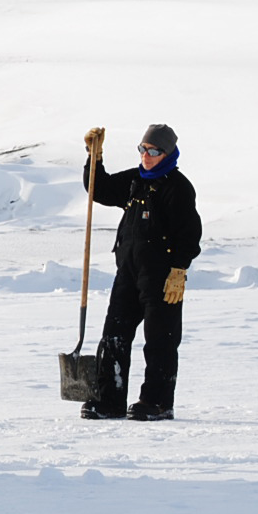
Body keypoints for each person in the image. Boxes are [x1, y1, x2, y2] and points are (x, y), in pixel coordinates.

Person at [79, 123, 202, 421]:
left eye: (153, 151)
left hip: (163, 278)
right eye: (143, 149)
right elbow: (99, 188)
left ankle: (157, 402)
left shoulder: (178, 187)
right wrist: (94, 157)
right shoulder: (136, 181)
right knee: (114, 336)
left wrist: (179, 270)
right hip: (129, 273)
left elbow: (190, 233)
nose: (146, 156)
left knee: (160, 339)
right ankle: (109, 400)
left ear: (168, 153)